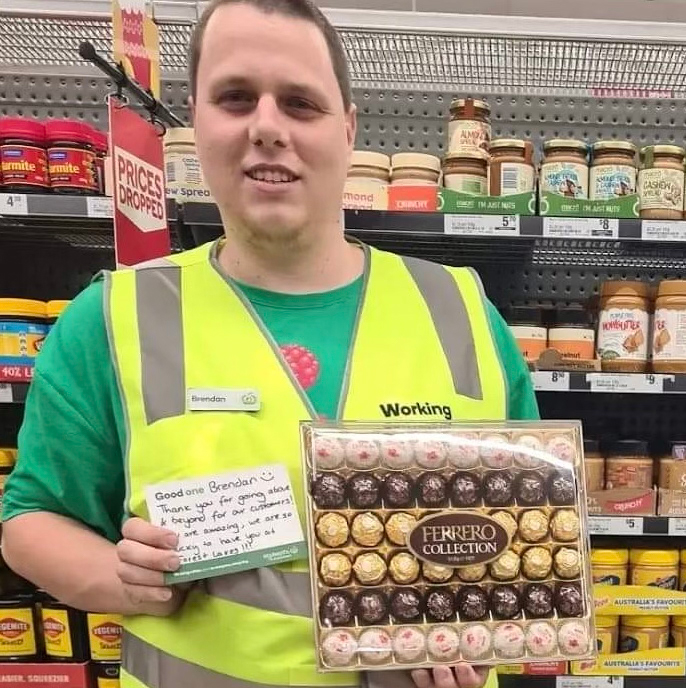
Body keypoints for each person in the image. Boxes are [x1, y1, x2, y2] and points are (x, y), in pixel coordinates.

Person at [1, 1, 538, 687]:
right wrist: (118, 575)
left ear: (347, 129)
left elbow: (530, 541)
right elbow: (31, 519)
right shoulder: (111, 318)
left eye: (300, 103)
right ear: (194, 121)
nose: (266, 127)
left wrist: (482, 616)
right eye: (234, 98)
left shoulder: (462, 313)